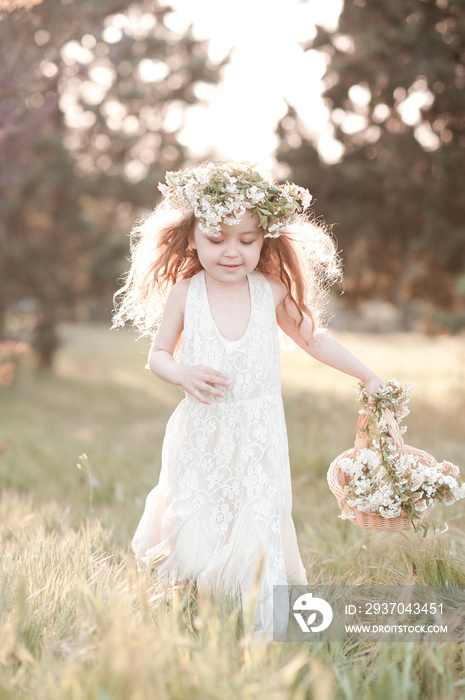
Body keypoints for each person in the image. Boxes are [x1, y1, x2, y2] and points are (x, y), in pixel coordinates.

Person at [112, 161, 383, 642]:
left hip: (258, 430)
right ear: (192, 238)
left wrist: (366, 375)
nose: (232, 252)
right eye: (217, 239)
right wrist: (183, 373)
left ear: (266, 239)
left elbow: (314, 339)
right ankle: (187, 599)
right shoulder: (185, 294)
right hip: (202, 429)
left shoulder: (271, 292)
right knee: (196, 508)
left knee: (255, 510)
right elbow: (157, 355)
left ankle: (257, 610)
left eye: (248, 239)